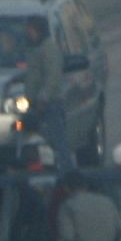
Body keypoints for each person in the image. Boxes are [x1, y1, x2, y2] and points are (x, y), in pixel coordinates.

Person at [22, 16, 72, 171]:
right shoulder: (33, 49)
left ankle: (65, 172)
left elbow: (53, 76)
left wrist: (43, 98)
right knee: (37, 143)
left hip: (50, 105)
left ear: (38, 30)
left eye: (30, 29)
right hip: (34, 105)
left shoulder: (49, 49)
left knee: (57, 142)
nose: (27, 32)